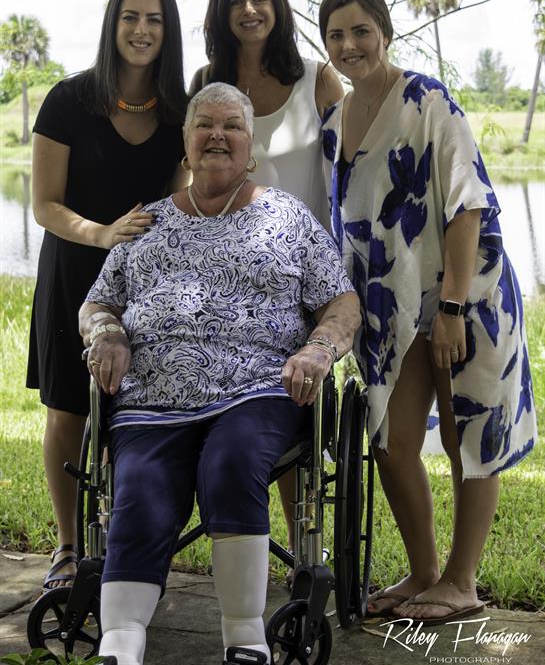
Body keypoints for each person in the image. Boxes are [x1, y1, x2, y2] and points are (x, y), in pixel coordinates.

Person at [78, 82, 360, 665]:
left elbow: (342, 302)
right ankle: (119, 644)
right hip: (152, 397)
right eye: (204, 124)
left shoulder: (288, 218)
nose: (217, 135)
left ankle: (245, 637)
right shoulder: (145, 223)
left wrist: (317, 351)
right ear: (185, 143)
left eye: (232, 125)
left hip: (256, 389)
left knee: (230, 463)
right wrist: (106, 333)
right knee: (140, 488)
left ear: (249, 146)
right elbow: (97, 301)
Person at [318, 0, 537, 625]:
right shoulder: (334, 124)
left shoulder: (426, 99)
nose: (349, 44)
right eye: (336, 35)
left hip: (461, 293)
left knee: (471, 427)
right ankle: (423, 572)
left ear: (384, 31)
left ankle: (461, 581)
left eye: (361, 30)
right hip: (390, 311)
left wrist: (451, 308)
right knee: (392, 440)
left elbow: (467, 202)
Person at [26, 0, 188, 591]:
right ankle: (68, 547)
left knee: (139, 412)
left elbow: (185, 195)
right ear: (112, 24)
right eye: (130, 17)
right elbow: (44, 204)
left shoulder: (178, 111)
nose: (141, 30)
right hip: (72, 273)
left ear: (167, 31)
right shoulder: (69, 101)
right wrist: (100, 234)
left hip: (151, 287)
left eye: (154, 19)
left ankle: (130, 547)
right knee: (68, 409)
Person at [189, 0, 344, 562]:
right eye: (235, 1)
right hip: (227, 275)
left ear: (277, 7)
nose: (249, 10)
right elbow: (193, 171)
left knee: (292, 404)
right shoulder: (207, 80)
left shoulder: (317, 78)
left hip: (303, 270)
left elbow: (348, 175)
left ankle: (307, 556)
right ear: (221, 13)